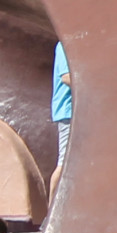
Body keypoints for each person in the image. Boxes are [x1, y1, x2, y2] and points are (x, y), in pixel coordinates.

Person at [50, 40, 73, 188]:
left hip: (82, 111)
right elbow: (66, 77)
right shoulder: (65, 44)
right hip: (68, 111)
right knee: (64, 162)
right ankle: (52, 208)